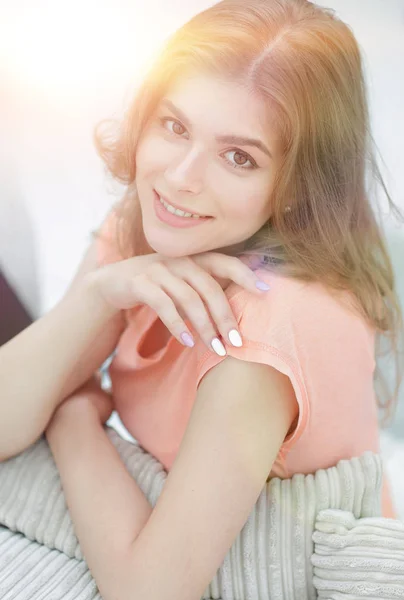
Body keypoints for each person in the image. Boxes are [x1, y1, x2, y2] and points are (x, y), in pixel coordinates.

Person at [1, 0, 403, 598]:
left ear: (295, 185)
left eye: (239, 156)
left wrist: (74, 417)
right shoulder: (152, 221)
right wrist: (95, 296)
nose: (181, 176)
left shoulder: (269, 325)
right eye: (175, 126)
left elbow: (150, 593)